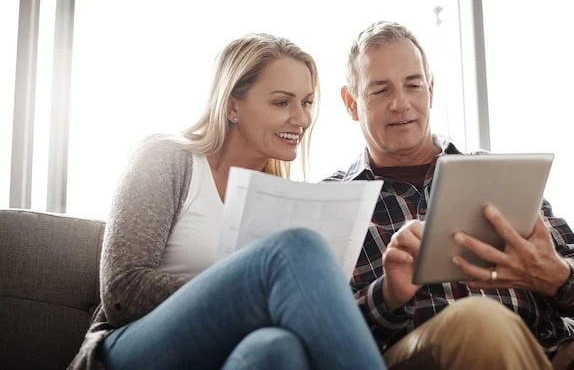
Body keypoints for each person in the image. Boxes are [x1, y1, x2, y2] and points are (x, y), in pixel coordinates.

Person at [327, 21, 574, 370]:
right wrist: (388, 295)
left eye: (413, 85)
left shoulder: (493, 173)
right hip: (432, 352)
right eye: (380, 90)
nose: (401, 103)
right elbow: (323, 336)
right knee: (479, 321)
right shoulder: (334, 202)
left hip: (555, 349)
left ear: (430, 90)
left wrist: (556, 274)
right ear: (351, 102)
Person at [69, 33, 386, 370]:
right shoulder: (167, 160)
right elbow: (121, 293)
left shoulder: (280, 196)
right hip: (130, 350)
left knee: (277, 349)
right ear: (233, 105)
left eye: (306, 103)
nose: (302, 118)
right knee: (297, 248)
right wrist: (247, 283)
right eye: (282, 103)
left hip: (227, 355)